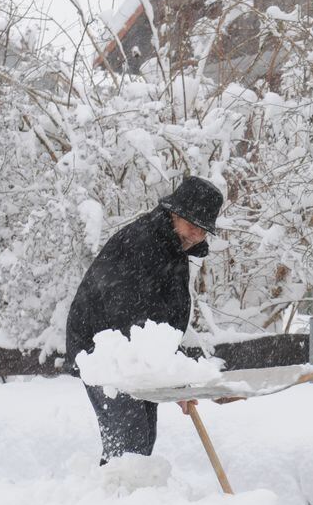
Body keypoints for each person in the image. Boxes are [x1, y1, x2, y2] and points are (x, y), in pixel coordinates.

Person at [66, 176, 223, 464]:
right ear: (175, 213)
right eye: (192, 225)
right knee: (128, 443)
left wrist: (176, 376)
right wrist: (170, 377)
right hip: (105, 352)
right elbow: (130, 314)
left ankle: (129, 500)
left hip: (134, 352)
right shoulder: (143, 243)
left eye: (203, 230)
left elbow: (162, 320)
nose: (196, 235)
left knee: (142, 439)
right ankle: (114, 502)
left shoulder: (172, 248)